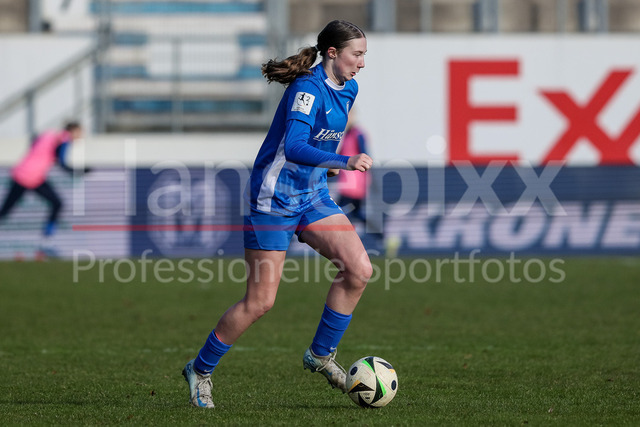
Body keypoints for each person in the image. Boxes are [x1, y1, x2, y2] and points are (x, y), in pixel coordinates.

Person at [182, 20, 372, 409]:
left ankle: (321, 355)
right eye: (357, 54)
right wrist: (344, 161)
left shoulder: (349, 88)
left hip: (312, 195)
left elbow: (319, 142)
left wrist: (327, 168)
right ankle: (200, 370)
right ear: (332, 53)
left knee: (359, 270)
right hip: (273, 200)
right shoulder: (306, 90)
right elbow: (296, 146)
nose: (362, 63)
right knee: (260, 302)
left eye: (364, 55)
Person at [0, 121, 86, 256]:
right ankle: (47, 242)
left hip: (22, 173)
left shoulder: (48, 134)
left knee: (5, 211)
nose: (80, 136)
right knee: (57, 204)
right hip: (30, 177)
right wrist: (80, 171)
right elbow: (62, 163)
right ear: (73, 131)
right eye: (80, 133)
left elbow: (34, 143)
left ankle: (47, 242)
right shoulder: (64, 140)